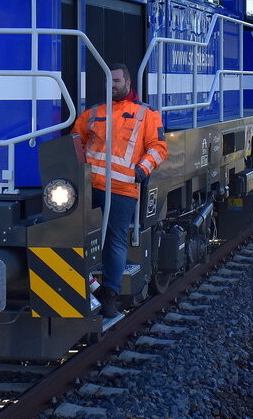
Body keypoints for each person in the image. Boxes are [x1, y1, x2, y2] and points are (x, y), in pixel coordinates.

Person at [71, 63, 168, 318]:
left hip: (123, 188)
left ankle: (110, 296)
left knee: (114, 241)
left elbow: (158, 147)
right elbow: (74, 143)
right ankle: (87, 289)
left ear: (127, 84)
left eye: (116, 81)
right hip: (90, 188)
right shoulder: (92, 113)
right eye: (108, 81)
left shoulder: (146, 114)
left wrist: (142, 170)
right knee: (78, 239)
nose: (111, 85)